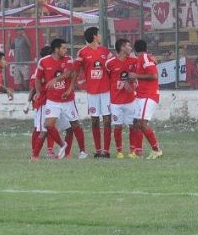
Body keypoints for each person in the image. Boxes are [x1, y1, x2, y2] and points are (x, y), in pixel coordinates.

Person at [33, 38, 83, 159]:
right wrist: (38, 92)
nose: (66, 50)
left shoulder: (68, 59)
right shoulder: (43, 62)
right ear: (56, 49)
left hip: (67, 100)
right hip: (52, 100)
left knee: (73, 126)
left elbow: (68, 73)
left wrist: (55, 80)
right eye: (64, 48)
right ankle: (61, 145)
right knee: (48, 126)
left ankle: (79, 152)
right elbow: (38, 78)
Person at [74, 27, 111, 158]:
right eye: (99, 34)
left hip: (106, 90)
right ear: (95, 36)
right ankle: (98, 149)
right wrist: (78, 84)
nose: (100, 36)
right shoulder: (82, 52)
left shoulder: (105, 51)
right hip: (92, 92)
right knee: (95, 120)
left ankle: (106, 151)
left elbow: (112, 67)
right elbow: (76, 71)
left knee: (107, 119)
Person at [129, 39, 163, 159]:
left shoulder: (144, 58)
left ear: (134, 49)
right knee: (137, 124)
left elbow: (154, 75)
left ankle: (156, 149)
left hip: (149, 95)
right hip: (141, 96)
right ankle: (138, 152)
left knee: (142, 123)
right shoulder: (141, 59)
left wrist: (136, 76)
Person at [105, 39, 138, 159]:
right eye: (129, 46)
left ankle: (132, 151)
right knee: (118, 126)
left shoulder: (134, 61)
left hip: (130, 100)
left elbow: (138, 73)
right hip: (116, 101)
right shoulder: (110, 63)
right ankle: (119, 151)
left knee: (132, 126)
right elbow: (108, 77)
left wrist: (131, 83)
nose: (130, 48)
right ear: (122, 48)